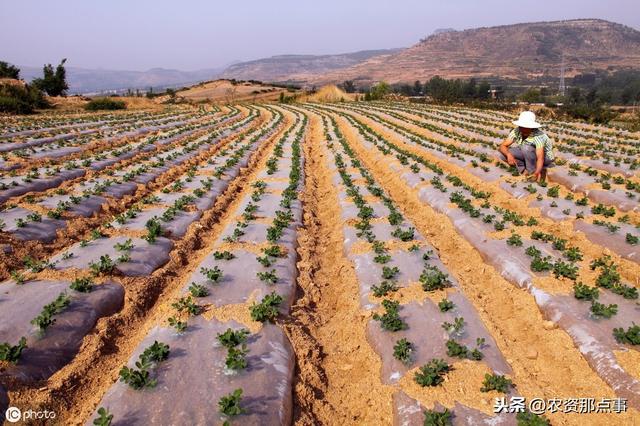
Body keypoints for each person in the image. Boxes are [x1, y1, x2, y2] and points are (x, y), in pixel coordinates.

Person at [498, 111, 554, 182]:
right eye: (522, 126)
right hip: (528, 153)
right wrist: (509, 155)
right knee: (503, 154)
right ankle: (523, 170)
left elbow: (540, 157)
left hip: (546, 157)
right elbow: (502, 145)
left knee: (526, 147)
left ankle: (532, 172)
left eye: (527, 127)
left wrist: (537, 173)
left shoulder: (538, 136)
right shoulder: (517, 131)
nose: (524, 129)